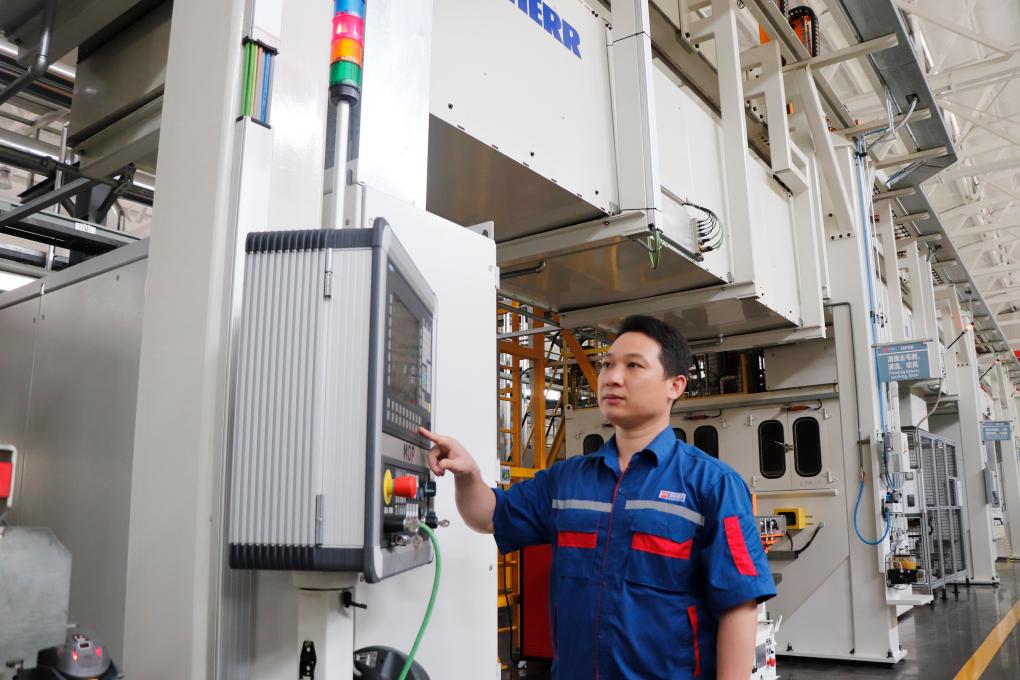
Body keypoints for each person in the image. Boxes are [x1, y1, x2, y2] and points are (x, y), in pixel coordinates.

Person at [419, 315, 775, 679]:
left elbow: (739, 604)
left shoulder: (712, 485)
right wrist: (468, 476)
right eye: (607, 365)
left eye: (633, 365)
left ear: (675, 385)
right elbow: (488, 516)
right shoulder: (567, 481)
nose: (612, 377)